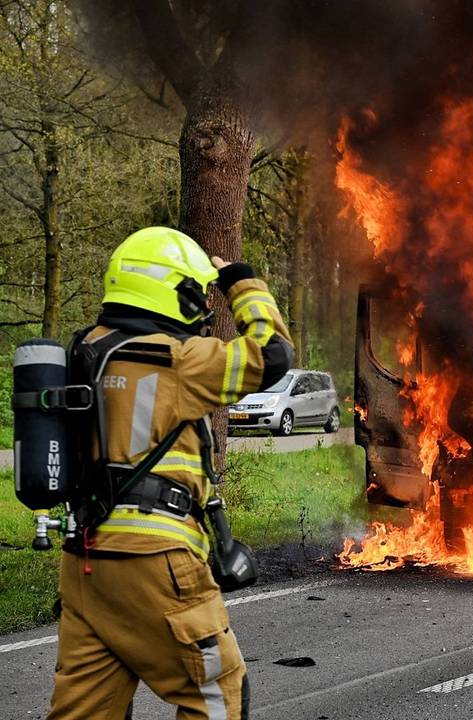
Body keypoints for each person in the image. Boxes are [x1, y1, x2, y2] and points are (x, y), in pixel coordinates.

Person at [47, 227, 293, 719]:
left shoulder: (84, 351)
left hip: (86, 562)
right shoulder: (177, 359)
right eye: (197, 296)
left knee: (84, 711)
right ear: (174, 293)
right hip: (156, 561)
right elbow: (272, 353)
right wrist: (241, 282)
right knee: (217, 694)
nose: (202, 310)